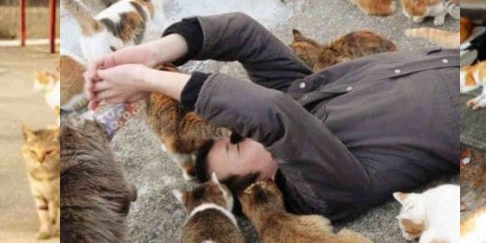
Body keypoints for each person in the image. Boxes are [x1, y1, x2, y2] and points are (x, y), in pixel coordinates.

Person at [84, 13, 463, 223]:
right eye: (236, 143)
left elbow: (242, 33)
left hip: (460, 61)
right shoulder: (321, 192)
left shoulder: (296, 94)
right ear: (260, 185)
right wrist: (149, 81)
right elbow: (268, 114)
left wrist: (152, 55)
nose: (237, 129)